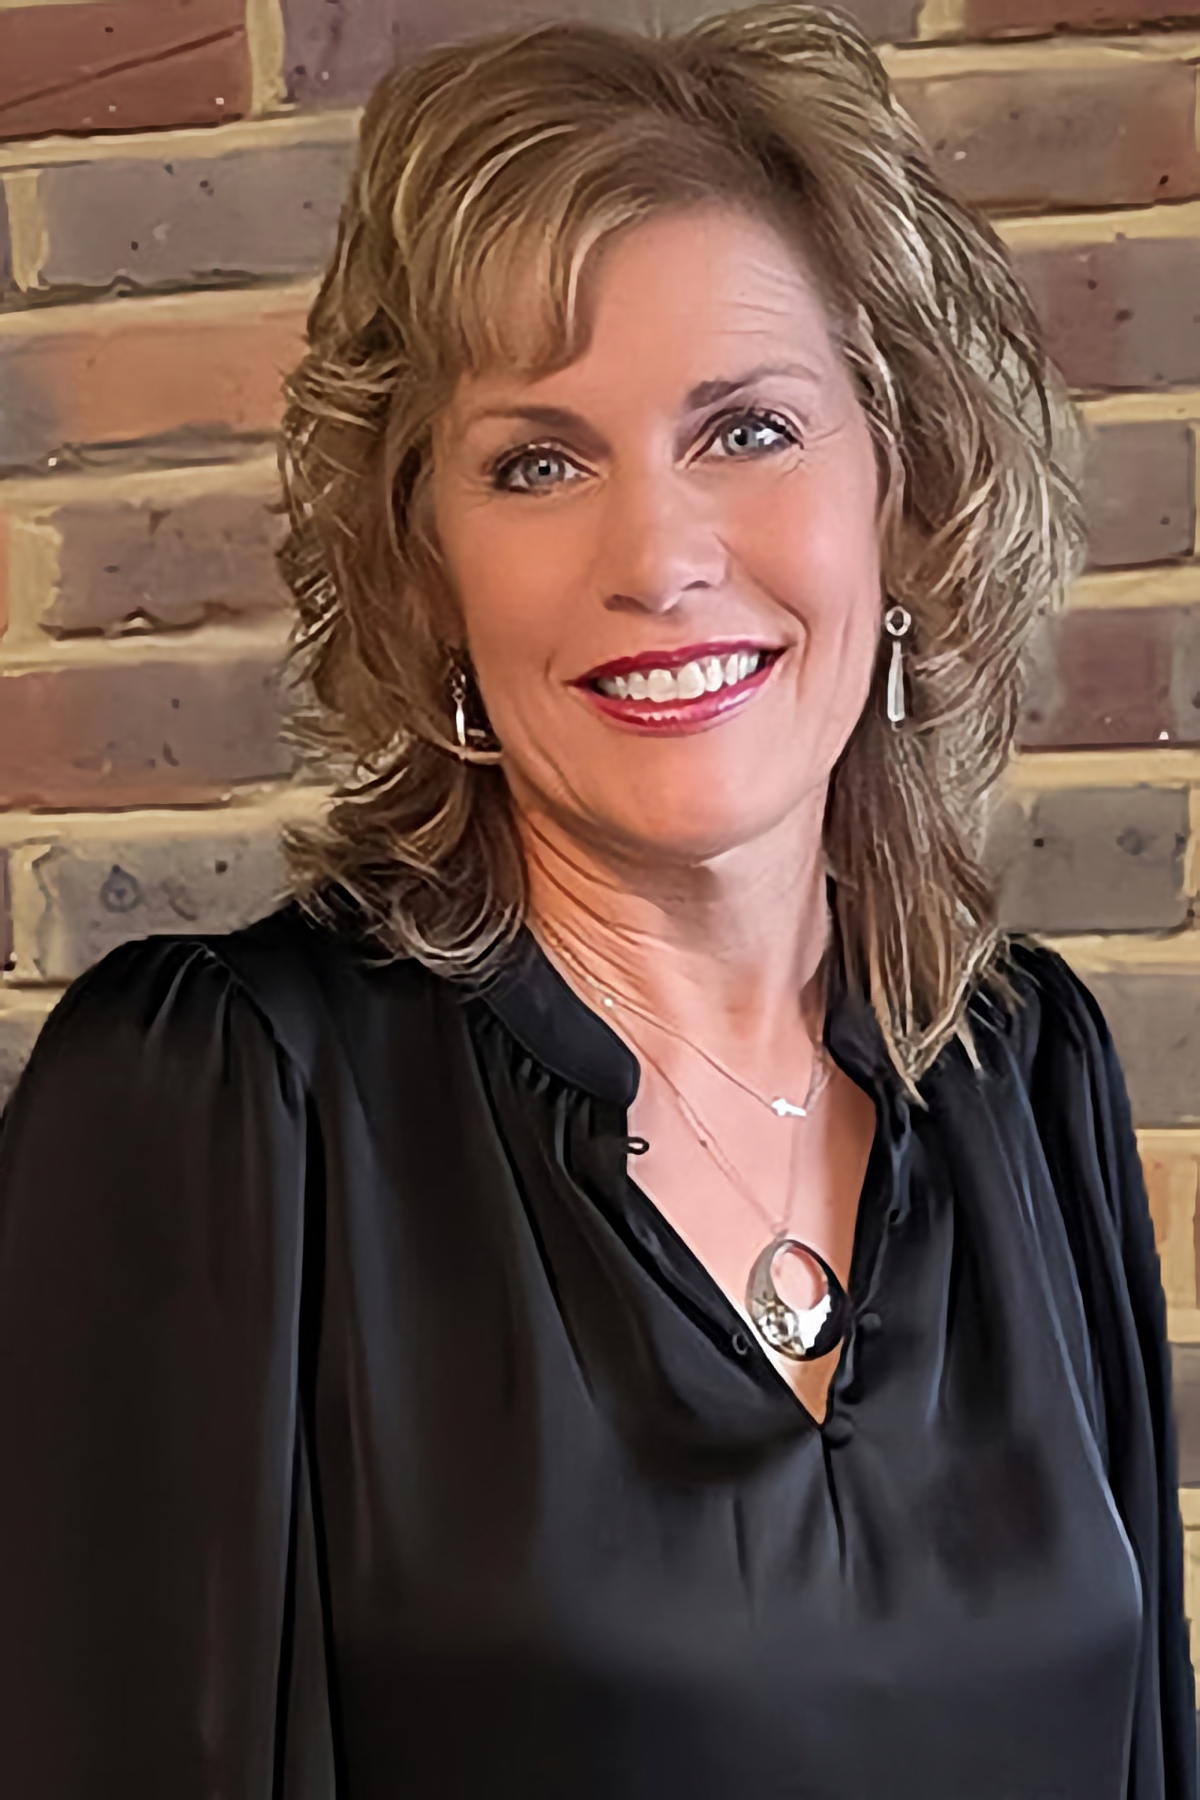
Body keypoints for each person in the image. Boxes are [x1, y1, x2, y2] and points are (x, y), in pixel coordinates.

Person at [0, 3, 1193, 1795]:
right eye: (537, 463)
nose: (658, 557)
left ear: (904, 494)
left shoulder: (1024, 1073)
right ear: (427, 565)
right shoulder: (222, 1106)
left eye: (749, 430)